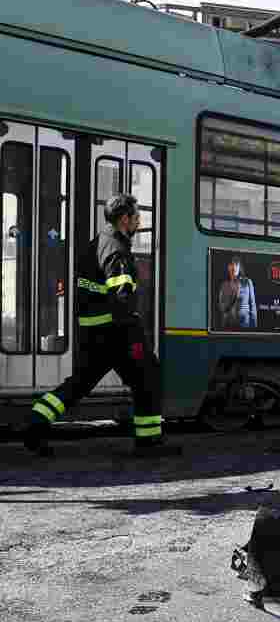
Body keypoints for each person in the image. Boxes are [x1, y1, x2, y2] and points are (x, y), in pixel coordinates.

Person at [22, 194, 176, 458]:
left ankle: (36, 425)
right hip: (116, 332)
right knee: (148, 377)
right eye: (137, 217)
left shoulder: (97, 243)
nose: (139, 222)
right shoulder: (116, 248)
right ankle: (149, 442)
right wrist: (133, 330)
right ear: (125, 219)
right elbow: (121, 296)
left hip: (93, 332)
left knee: (79, 384)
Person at [216, 256, 257, 330]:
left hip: (245, 323)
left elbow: (253, 305)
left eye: (236, 264)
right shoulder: (224, 285)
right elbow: (222, 308)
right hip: (230, 323)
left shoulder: (247, 282)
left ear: (239, 267)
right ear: (229, 267)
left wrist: (254, 325)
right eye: (232, 264)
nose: (234, 267)